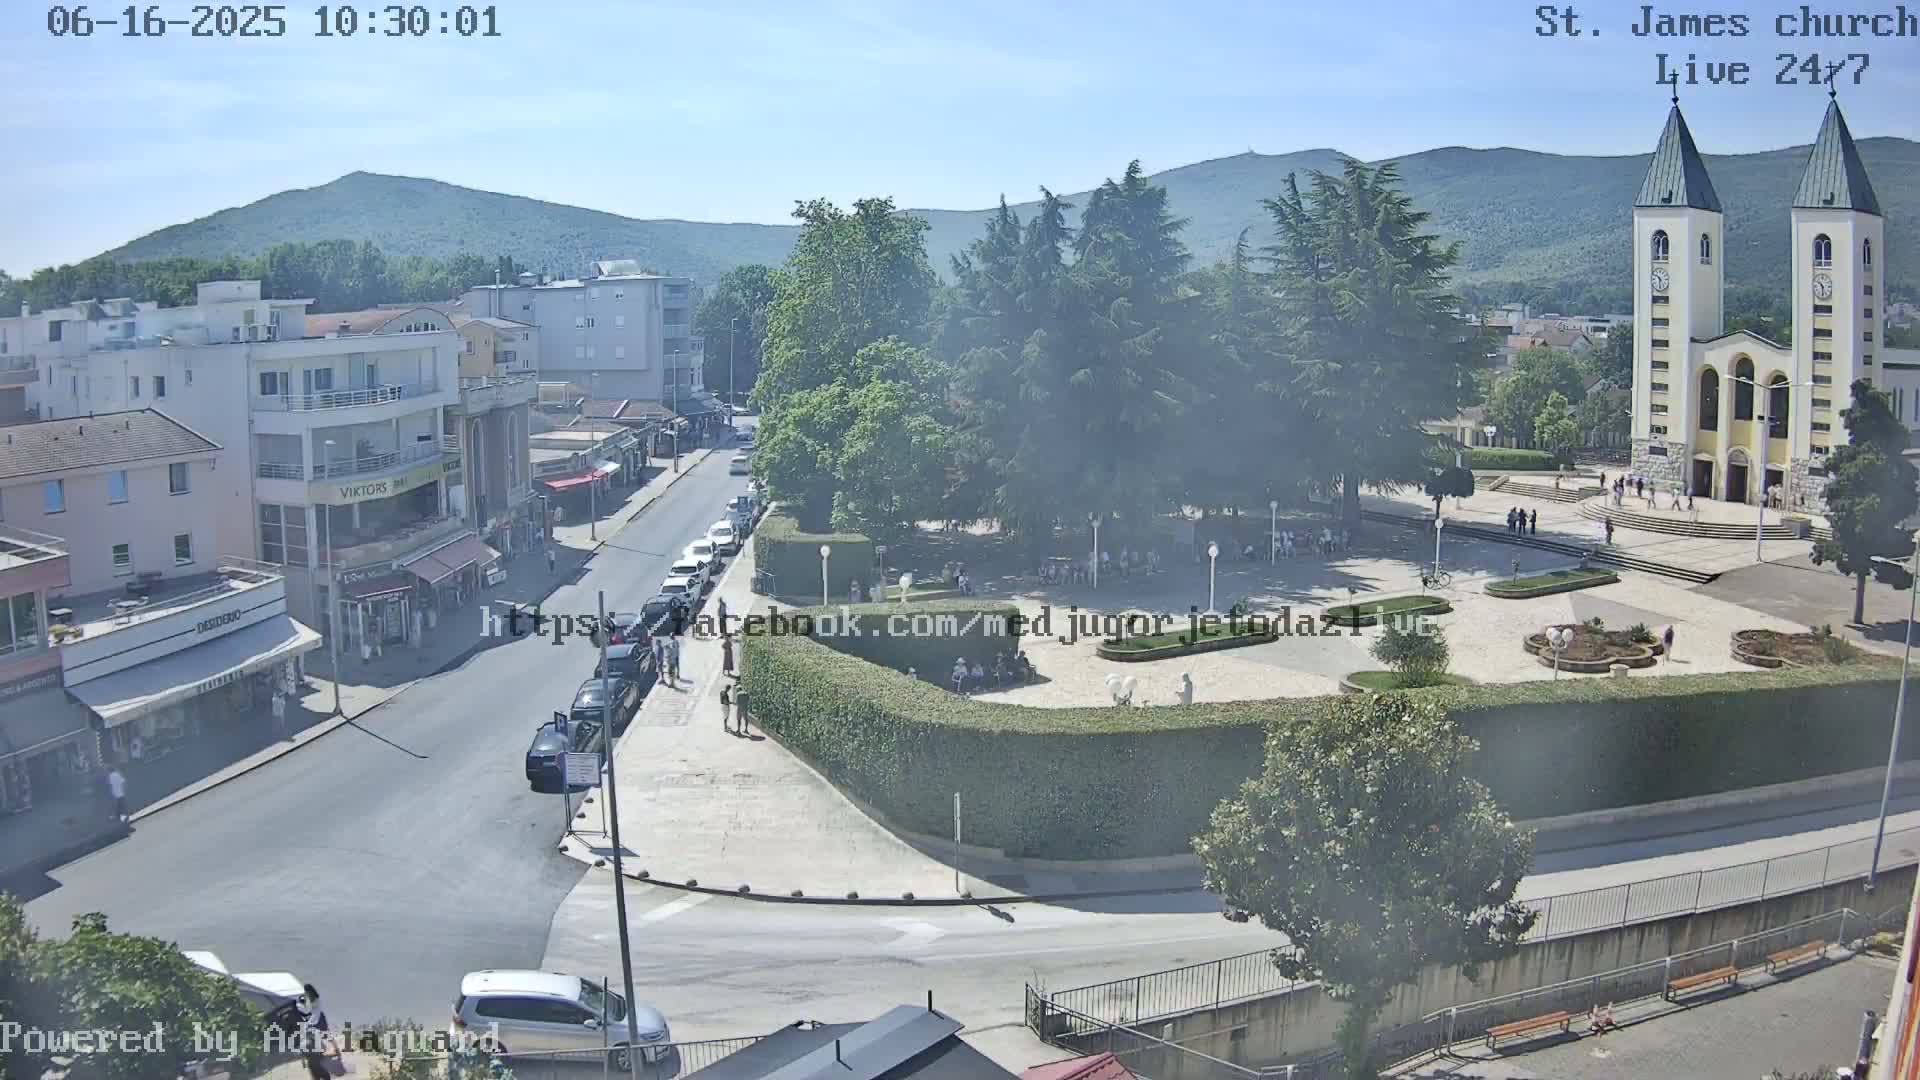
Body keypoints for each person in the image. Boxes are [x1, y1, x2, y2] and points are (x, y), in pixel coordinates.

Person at [296, 984, 335, 1080]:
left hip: (314, 1057)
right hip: (314, 1058)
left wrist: (303, 1061)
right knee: (323, 1075)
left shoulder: (313, 1003)